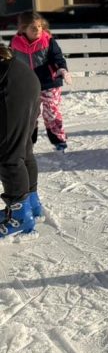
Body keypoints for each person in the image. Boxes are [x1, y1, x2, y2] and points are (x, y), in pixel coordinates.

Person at [10, 11, 71, 151]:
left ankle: (58, 140)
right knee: (29, 113)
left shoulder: (48, 41)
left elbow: (58, 58)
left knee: (51, 112)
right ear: (23, 28)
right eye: (33, 27)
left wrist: (62, 69)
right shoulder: (15, 43)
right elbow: (11, 62)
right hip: (27, 84)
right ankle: (28, 141)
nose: (37, 30)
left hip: (49, 82)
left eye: (39, 26)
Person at [0, 43, 42, 237]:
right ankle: (31, 205)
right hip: (25, 79)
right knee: (23, 148)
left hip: (12, 84)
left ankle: (20, 218)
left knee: (8, 154)